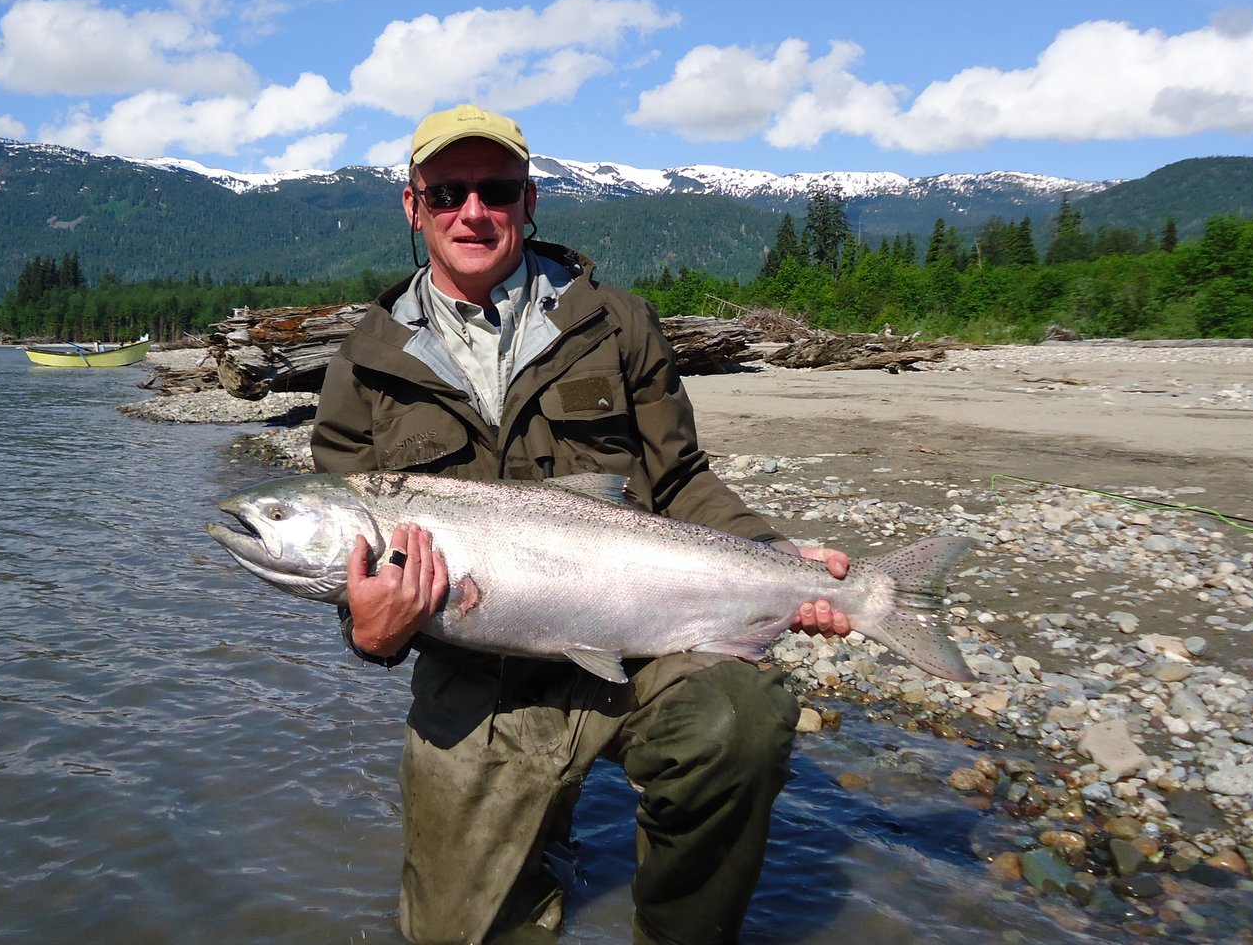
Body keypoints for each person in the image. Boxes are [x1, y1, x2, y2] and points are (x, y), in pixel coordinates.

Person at [309, 104, 853, 945]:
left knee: (739, 720)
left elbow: (678, 479)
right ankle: (536, 853)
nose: (472, 212)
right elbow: (348, 540)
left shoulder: (616, 321)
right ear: (412, 207)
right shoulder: (365, 361)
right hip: (478, 681)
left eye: (495, 190)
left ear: (529, 201)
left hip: (639, 645)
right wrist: (369, 634)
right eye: (448, 191)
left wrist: (775, 557)